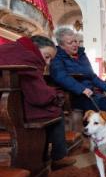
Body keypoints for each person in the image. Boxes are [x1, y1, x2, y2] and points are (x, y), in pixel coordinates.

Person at [0, 35, 76, 169]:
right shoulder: (29, 57)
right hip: (10, 108)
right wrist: (56, 94)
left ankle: (43, 154)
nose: (47, 63)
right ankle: (58, 156)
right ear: (35, 47)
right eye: (46, 56)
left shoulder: (9, 49)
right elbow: (39, 97)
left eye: (50, 59)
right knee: (56, 112)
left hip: (5, 100)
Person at [50, 28, 106, 123]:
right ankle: (97, 132)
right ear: (61, 45)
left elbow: (92, 76)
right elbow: (61, 76)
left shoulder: (82, 55)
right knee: (100, 103)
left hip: (89, 93)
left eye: (75, 41)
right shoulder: (57, 57)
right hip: (74, 94)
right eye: (70, 42)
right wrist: (81, 89)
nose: (75, 44)